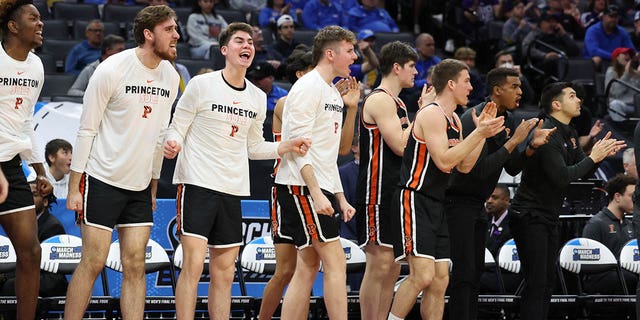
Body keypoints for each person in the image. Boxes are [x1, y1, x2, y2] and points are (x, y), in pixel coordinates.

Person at [163, 22, 311, 319]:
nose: (247, 46)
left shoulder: (257, 97)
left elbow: (254, 147)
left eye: (251, 43)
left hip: (232, 189)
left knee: (225, 272)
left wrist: (285, 146)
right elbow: (177, 128)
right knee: (192, 267)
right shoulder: (201, 85)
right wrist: (173, 142)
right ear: (225, 50)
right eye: (240, 41)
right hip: (197, 183)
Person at [64, 5, 180, 319]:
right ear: (148, 34)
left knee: (135, 265)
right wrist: (75, 188)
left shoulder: (170, 76)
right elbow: (86, 129)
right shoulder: (112, 69)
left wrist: (154, 184)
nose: (176, 36)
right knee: (93, 262)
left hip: (140, 185)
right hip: (101, 178)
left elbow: (159, 135)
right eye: (169, 29)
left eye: (175, 29)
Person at [388, 59, 505, 320]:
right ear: (450, 84)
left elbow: (464, 166)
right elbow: (443, 161)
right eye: (466, 81)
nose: (471, 86)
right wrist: (478, 134)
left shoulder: (455, 119)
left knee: (441, 280)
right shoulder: (431, 113)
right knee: (422, 276)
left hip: (437, 202)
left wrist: (480, 135)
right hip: (414, 198)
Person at [445, 67, 555, 320]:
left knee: (474, 274)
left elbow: (511, 166)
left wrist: (530, 147)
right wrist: (514, 141)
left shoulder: (510, 120)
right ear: (497, 90)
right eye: (514, 86)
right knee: (463, 275)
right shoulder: (475, 117)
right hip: (456, 202)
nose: (520, 92)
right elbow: (477, 170)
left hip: (477, 204)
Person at [259, 45, 360, 320]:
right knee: (304, 266)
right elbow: (297, 149)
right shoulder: (301, 92)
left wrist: (339, 196)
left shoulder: (329, 94)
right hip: (295, 184)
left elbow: (334, 153)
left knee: (307, 264)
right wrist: (316, 192)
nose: (355, 57)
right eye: (350, 50)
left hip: (314, 183)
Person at [509, 82, 624, 320]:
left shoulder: (570, 133)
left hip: (548, 215)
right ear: (556, 104)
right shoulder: (547, 132)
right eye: (572, 96)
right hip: (530, 215)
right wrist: (594, 156)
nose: (579, 100)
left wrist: (599, 157)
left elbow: (582, 171)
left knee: (548, 281)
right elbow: (562, 178)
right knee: (537, 282)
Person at [356, 41, 421, 320]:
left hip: (394, 190)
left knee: (393, 266)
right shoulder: (380, 99)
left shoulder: (399, 103)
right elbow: (400, 145)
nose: (416, 72)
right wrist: (425, 113)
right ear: (397, 67)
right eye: (411, 66)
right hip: (376, 191)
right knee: (379, 264)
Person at [0, 1, 52, 318]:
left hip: (11, 166)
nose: (41, 22)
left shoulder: (36, 67)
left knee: (31, 252)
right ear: (13, 26)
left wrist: (38, 169)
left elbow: (25, 122)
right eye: (33, 17)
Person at [0, 180, 67, 297]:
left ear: (45, 201)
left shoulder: (52, 226)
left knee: (12, 285)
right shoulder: (20, 224)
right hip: (29, 273)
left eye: (34, 195)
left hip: (49, 280)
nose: (29, 199)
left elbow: (49, 272)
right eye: (27, 195)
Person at [583, 174, 637, 294]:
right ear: (617, 196)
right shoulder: (596, 224)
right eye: (631, 196)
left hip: (628, 274)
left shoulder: (631, 224)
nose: (635, 200)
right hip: (602, 278)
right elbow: (589, 264)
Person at [522, 12, 581, 80]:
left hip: (564, 63)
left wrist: (564, 34)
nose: (552, 24)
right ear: (541, 23)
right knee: (552, 62)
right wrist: (544, 55)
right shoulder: (535, 34)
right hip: (544, 66)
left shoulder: (560, 35)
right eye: (549, 22)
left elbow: (576, 52)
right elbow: (525, 49)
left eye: (554, 22)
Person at [604, 47, 640, 122]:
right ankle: (621, 130)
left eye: (629, 54)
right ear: (616, 57)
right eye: (624, 54)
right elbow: (615, 93)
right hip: (621, 104)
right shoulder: (611, 72)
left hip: (636, 105)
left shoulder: (635, 72)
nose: (627, 56)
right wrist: (626, 75)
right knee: (615, 104)